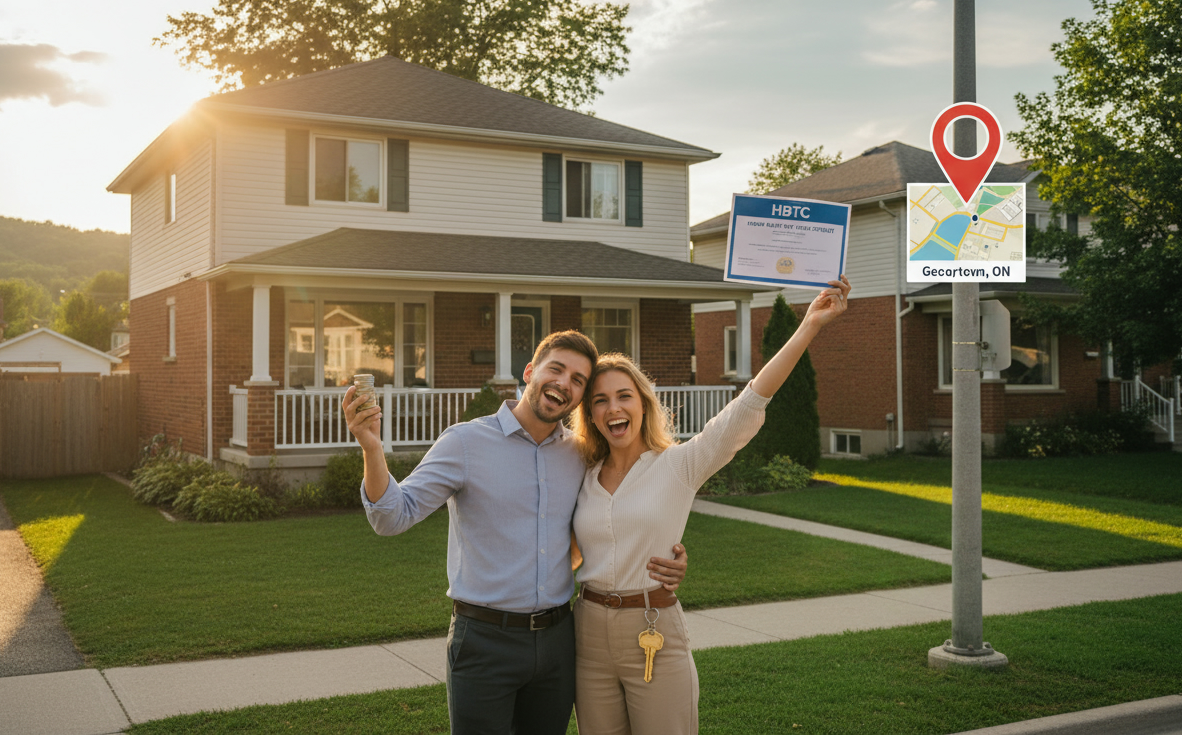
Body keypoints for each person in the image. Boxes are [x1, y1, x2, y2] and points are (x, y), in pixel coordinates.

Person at [342, 330, 689, 735]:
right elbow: (391, 518)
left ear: (579, 398)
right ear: (529, 372)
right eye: (556, 369)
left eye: (578, 380)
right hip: (484, 642)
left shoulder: (579, 455)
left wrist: (668, 556)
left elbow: (610, 518)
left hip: (559, 643)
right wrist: (371, 447)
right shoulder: (465, 442)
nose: (564, 384)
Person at [568, 276, 851, 735]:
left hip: (651, 627)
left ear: (643, 404)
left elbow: (748, 405)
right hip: (586, 634)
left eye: (624, 396)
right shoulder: (580, 475)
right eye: (600, 401)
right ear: (591, 415)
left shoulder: (680, 464)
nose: (612, 408)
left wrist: (809, 326)